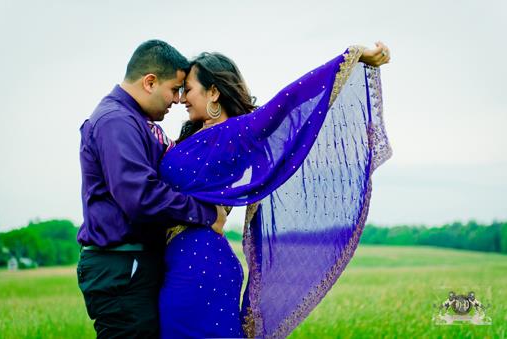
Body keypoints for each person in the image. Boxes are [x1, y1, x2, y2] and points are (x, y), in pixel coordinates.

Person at [157, 42, 391, 337]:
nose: (182, 99)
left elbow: (289, 101)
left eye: (188, 90)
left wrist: (350, 57)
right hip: (185, 264)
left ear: (213, 92)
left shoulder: (236, 133)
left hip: (198, 273)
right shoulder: (196, 136)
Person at [76, 39, 228, 338]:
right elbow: (141, 197)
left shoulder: (139, 122)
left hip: (136, 263)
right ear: (149, 82)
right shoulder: (116, 122)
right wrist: (206, 213)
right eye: (174, 89)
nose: (177, 99)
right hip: (122, 265)